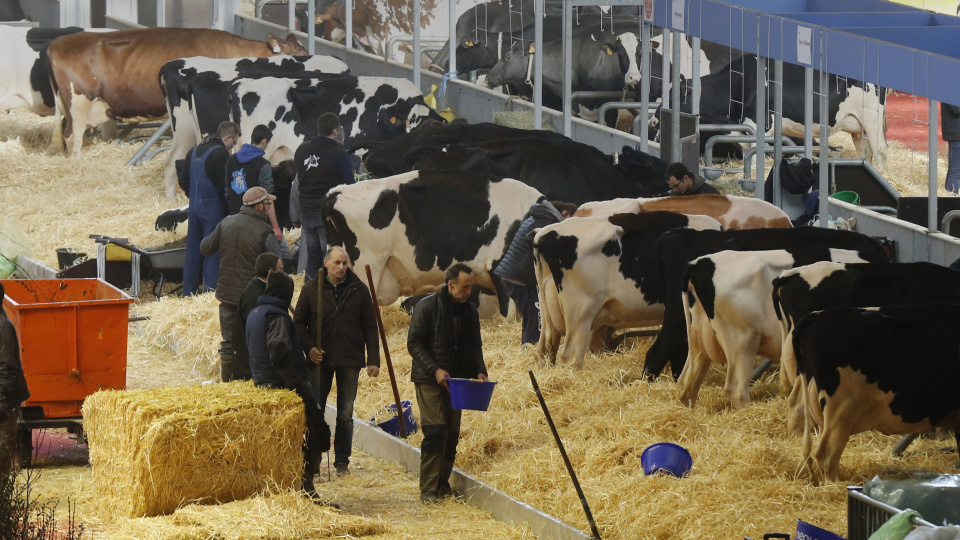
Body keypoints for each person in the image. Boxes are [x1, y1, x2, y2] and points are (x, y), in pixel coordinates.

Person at [293, 246, 380, 475]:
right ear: (326, 263)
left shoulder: (359, 290)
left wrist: (373, 359)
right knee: (315, 410)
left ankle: (342, 461)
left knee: (345, 412)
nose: (341, 267)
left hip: (350, 359)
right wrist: (309, 348)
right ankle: (313, 461)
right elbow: (299, 322)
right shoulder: (312, 289)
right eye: (337, 263)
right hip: (320, 360)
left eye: (345, 263)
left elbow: (370, 325)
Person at [246, 271, 331, 502]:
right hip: (283, 386)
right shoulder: (277, 316)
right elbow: (279, 354)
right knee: (317, 434)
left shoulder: (255, 313)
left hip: (263, 383)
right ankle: (306, 489)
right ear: (286, 292)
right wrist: (296, 384)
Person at [408, 263, 488, 504]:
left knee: (451, 434)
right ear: (451, 285)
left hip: (457, 381)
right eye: (465, 287)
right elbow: (414, 344)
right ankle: (428, 489)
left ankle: (443, 484)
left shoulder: (470, 312)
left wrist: (481, 371)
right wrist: (435, 370)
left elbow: (476, 346)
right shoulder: (427, 307)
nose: (468, 292)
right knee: (435, 431)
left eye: (471, 287)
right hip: (429, 379)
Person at [200, 186, 282, 382]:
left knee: (228, 342)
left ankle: (228, 382)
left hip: (227, 295)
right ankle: (253, 382)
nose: (270, 207)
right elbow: (278, 266)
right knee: (254, 342)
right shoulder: (264, 231)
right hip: (252, 299)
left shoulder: (226, 223)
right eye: (268, 204)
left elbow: (205, 248)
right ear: (261, 206)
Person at [494, 200, 578, 345]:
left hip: (512, 276)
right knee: (535, 317)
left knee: (530, 316)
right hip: (519, 277)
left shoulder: (538, 218)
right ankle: (531, 350)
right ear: (565, 213)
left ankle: (526, 348)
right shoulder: (547, 225)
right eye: (572, 219)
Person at [294, 112, 354, 277]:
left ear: (318, 129)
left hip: (306, 212)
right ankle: (328, 297)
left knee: (313, 259)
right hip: (327, 215)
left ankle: (310, 295)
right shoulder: (339, 153)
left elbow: (299, 179)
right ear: (335, 131)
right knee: (330, 259)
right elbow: (350, 186)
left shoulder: (301, 150)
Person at [182, 121, 238, 296]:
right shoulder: (221, 155)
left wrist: (191, 196)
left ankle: (188, 292)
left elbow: (182, 178)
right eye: (233, 143)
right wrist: (230, 209)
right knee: (213, 251)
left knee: (192, 251)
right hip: (213, 209)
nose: (232, 148)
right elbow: (225, 187)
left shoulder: (193, 151)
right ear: (227, 137)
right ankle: (209, 293)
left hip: (194, 206)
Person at [225, 125, 284, 242]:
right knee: (282, 248)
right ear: (264, 141)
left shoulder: (231, 160)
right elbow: (267, 198)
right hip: (256, 223)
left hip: (234, 220)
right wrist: (276, 227)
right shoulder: (263, 165)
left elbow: (227, 191)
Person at [231, 252, 283, 382]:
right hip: (250, 369)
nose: (284, 274)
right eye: (281, 270)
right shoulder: (256, 296)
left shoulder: (259, 288)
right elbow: (255, 336)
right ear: (271, 272)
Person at [0, 282, 30, 476]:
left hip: (4, 402)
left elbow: (8, 369)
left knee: (1, 456)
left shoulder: (3, 328)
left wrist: (1, 404)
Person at [942, 102, 960, 194]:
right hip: (956, 134)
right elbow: (956, 109)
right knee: (956, 171)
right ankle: (952, 199)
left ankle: (949, 197)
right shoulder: (951, 90)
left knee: (954, 170)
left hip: (955, 133)